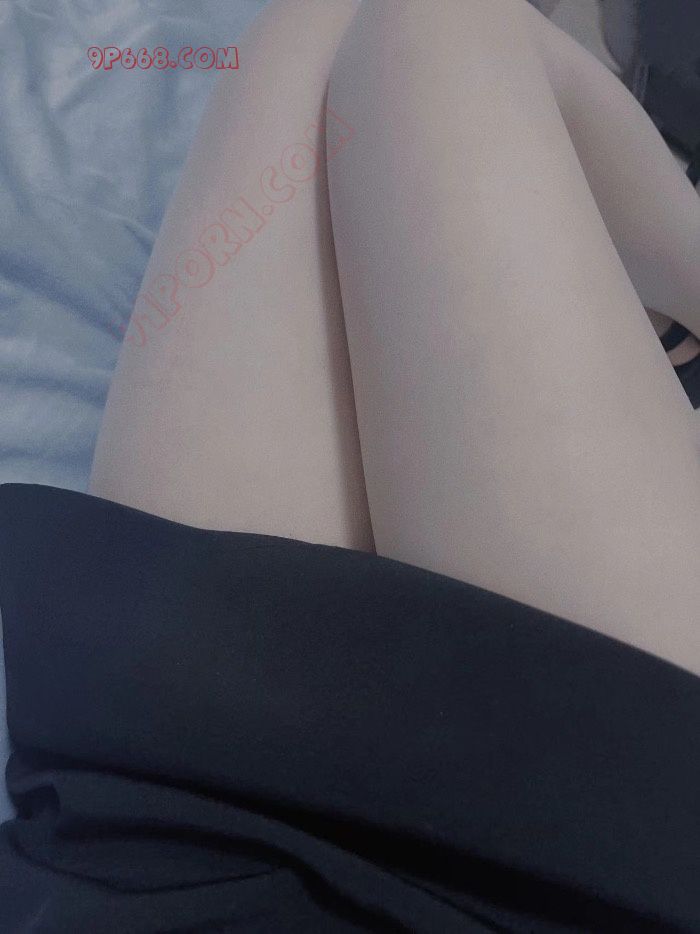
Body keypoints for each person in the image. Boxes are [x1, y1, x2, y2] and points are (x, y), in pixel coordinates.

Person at [1, 0, 699, 929]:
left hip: (165, 819)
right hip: (558, 845)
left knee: (320, 19)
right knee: (436, 30)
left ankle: (634, 296)